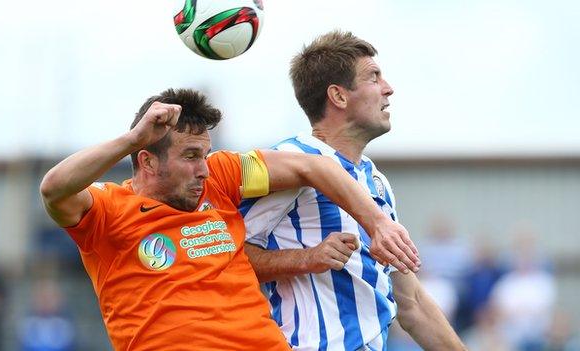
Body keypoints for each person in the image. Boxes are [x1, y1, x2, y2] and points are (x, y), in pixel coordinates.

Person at [39, 88, 420, 350]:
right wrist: (131, 138)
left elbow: (314, 167)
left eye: (205, 154)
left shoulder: (219, 178)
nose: (203, 169)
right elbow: (53, 189)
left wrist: (378, 224)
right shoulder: (108, 211)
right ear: (147, 159)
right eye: (190, 156)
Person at [241, 30, 465, 350]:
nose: (389, 88)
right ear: (339, 96)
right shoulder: (290, 164)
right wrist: (307, 259)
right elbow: (230, 257)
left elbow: (411, 301)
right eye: (374, 77)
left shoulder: (376, 182)